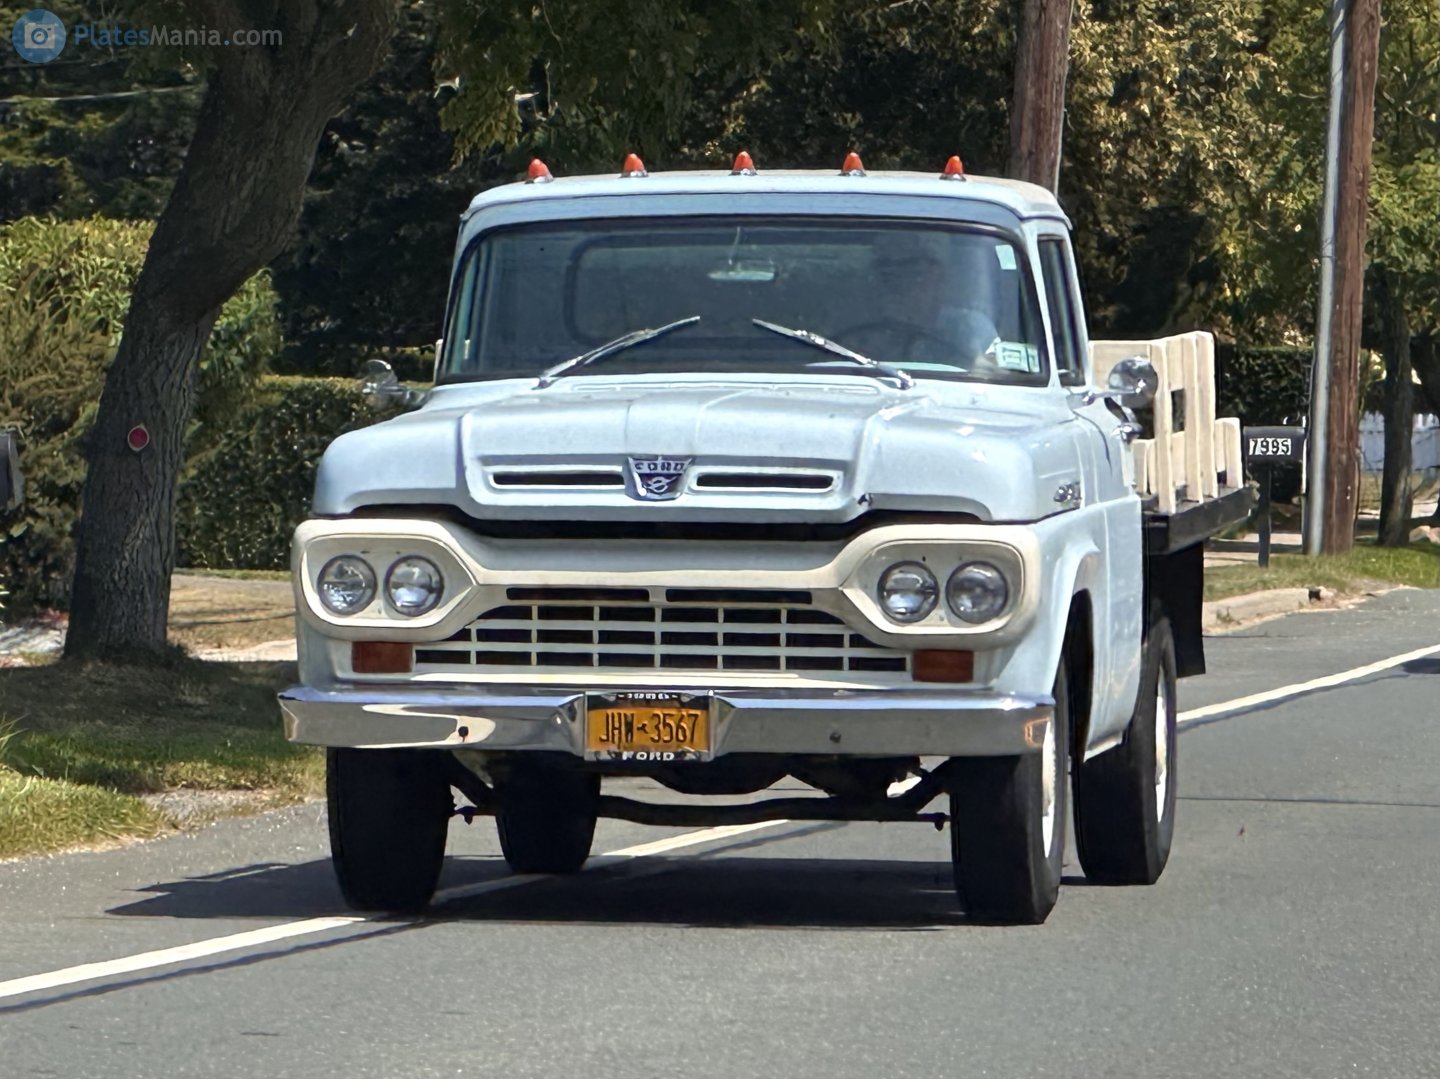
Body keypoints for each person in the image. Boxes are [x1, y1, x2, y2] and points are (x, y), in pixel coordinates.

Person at [838, 233, 1001, 370]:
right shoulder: (851, 325)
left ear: (940, 280)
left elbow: (990, 380)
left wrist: (973, 362)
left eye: (915, 271)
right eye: (886, 271)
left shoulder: (969, 327)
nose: (900, 283)